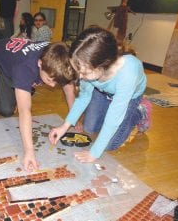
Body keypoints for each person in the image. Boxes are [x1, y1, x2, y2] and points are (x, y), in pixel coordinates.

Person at [0, 38, 77, 171]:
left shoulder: (60, 60)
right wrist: (29, 151)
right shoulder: (25, 67)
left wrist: (73, 120)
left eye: (57, 82)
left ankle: (16, 83)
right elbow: (25, 111)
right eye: (49, 80)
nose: (53, 85)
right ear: (39, 63)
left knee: (5, 111)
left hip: (12, 68)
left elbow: (69, 89)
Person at [49, 26, 152, 163]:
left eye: (84, 72)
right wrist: (64, 126)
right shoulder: (88, 68)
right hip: (102, 90)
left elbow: (114, 116)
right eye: (78, 70)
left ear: (103, 65)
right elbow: (83, 97)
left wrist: (94, 153)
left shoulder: (128, 72)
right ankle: (108, 106)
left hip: (131, 95)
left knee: (110, 145)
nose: (80, 76)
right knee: (89, 128)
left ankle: (141, 111)